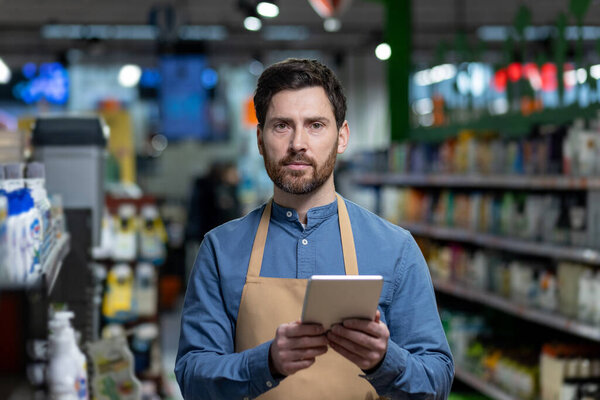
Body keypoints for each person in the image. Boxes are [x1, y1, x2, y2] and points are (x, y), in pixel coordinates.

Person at [175, 58, 454, 399]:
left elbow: (436, 380)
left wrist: (384, 360)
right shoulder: (221, 250)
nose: (298, 143)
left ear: (342, 136)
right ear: (261, 140)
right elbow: (192, 376)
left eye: (316, 125)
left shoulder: (395, 249)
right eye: (281, 126)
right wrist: (267, 363)